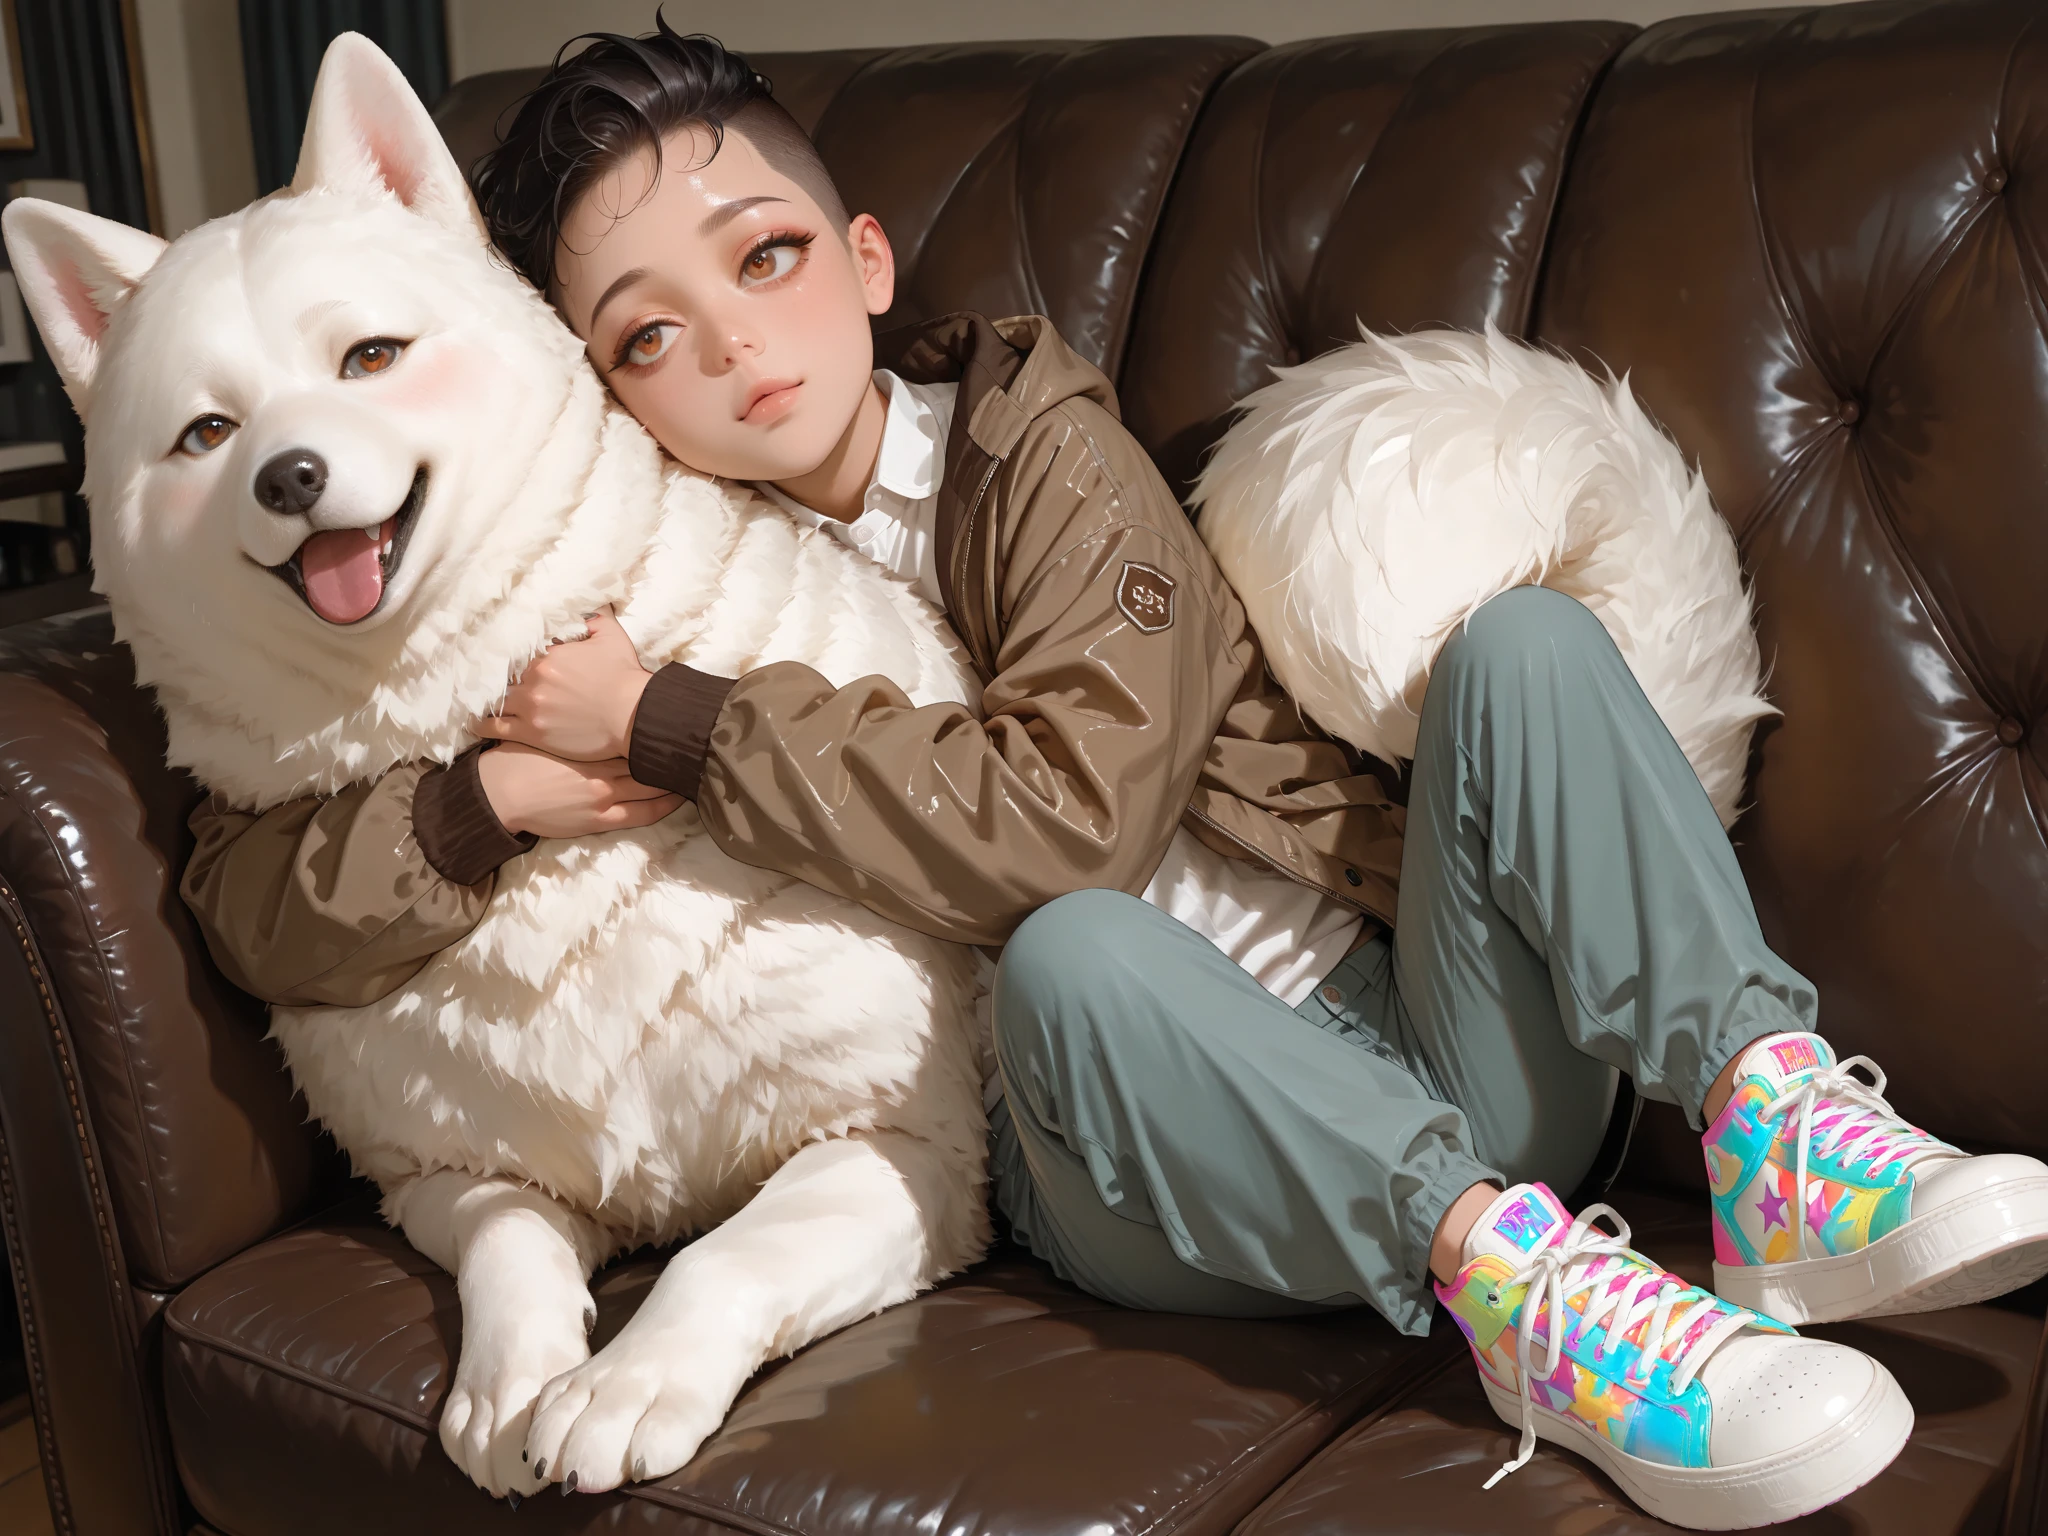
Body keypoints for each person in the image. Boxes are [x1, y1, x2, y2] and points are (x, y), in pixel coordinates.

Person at [181, 21, 2048, 1527]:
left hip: (1429, 1026)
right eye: (650, 334)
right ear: (596, 387)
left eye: (761, 262)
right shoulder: (610, 571)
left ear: (860, 260)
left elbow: (1069, 813)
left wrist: (676, 723)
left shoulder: (1033, 443)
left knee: (1525, 643)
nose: (736, 346)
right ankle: (1538, 1310)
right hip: (1122, 1155)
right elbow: (255, 901)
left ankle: (1772, 1127)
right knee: (1077, 953)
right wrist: (478, 802)